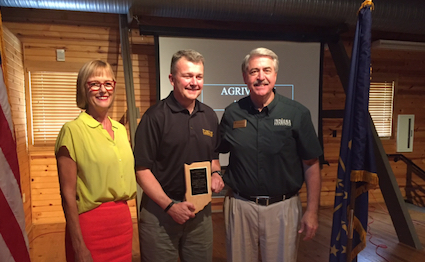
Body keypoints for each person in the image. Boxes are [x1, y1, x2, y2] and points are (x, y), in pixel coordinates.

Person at [219, 47, 323, 262]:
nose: (260, 77)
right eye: (254, 71)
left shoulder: (297, 113)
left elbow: (311, 164)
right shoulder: (232, 113)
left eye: (267, 70)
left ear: (275, 75)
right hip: (240, 206)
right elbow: (215, 151)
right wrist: (212, 172)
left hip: (282, 208)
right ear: (245, 77)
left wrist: (312, 212)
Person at [134, 49, 225, 262]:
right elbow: (142, 170)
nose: (194, 82)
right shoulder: (154, 117)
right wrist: (171, 207)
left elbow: (213, 157)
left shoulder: (209, 115)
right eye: (187, 76)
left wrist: (216, 174)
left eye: (199, 76)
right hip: (160, 214)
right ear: (172, 79)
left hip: (200, 213)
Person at [55, 60, 137, 262]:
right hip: (90, 228)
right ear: (84, 89)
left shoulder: (119, 130)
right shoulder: (72, 131)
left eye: (108, 83)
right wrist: (78, 245)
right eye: (94, 84)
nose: (103, 90)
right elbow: (67, 195)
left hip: (122, 223)